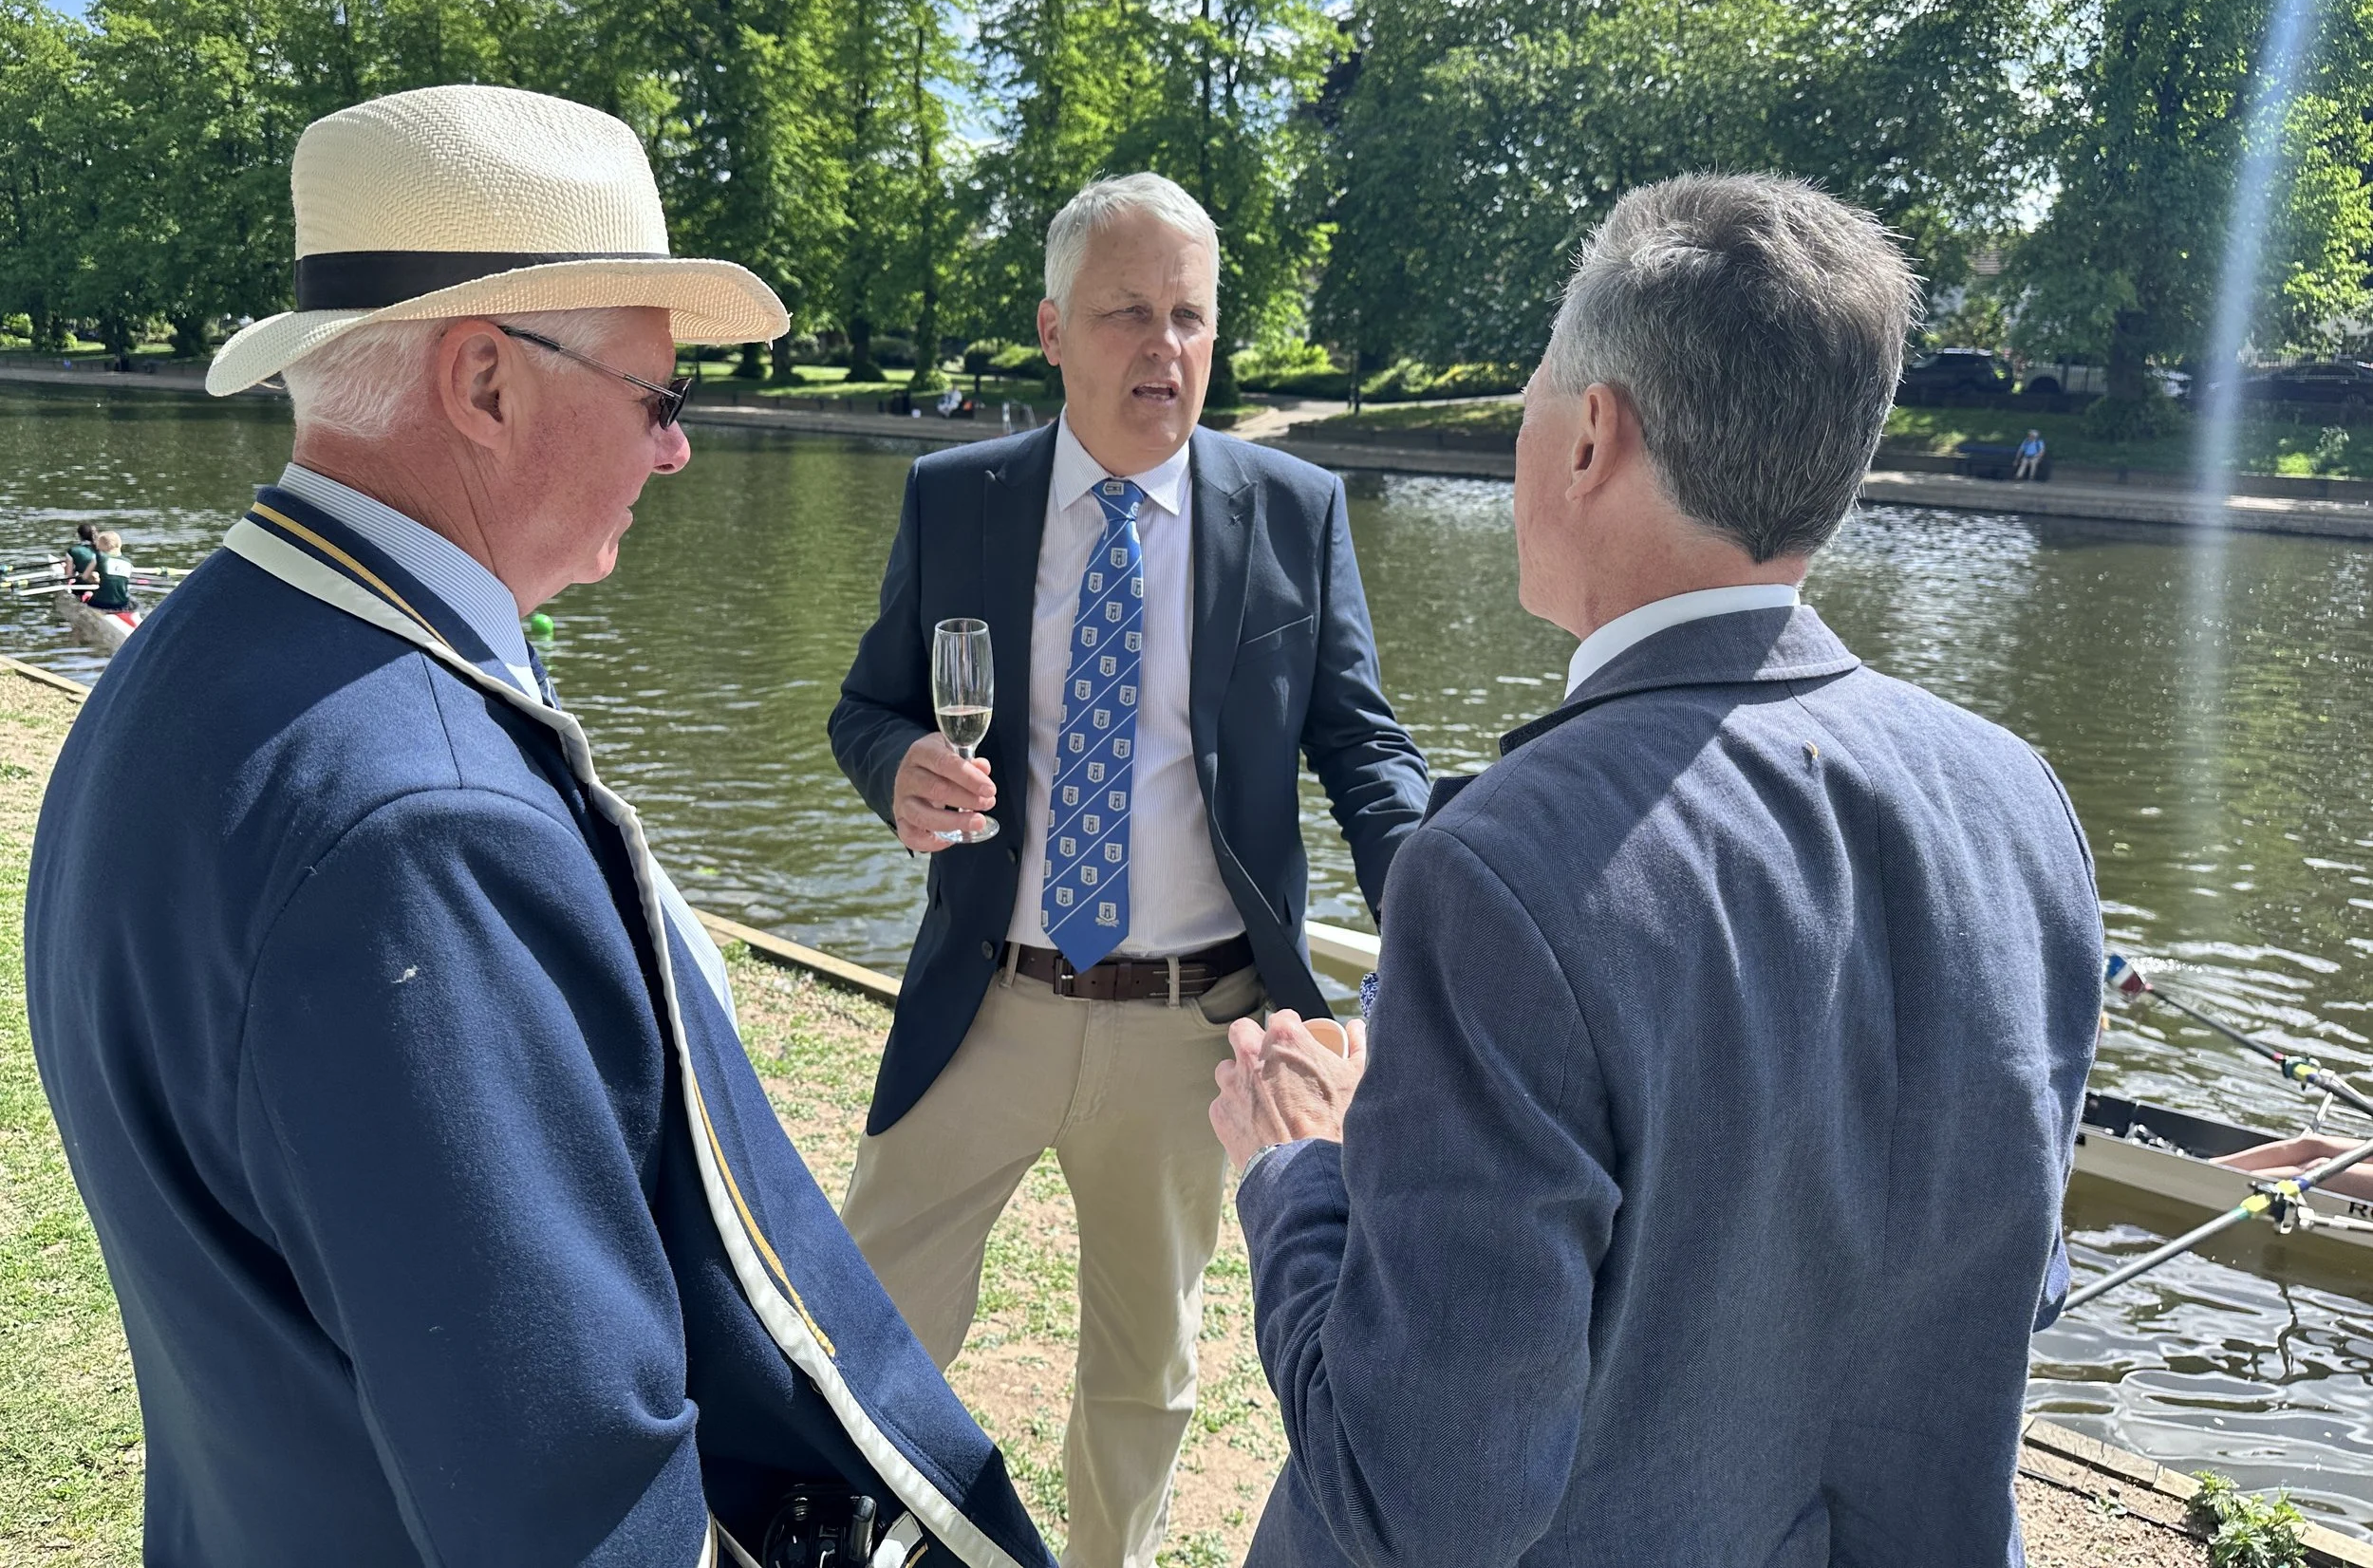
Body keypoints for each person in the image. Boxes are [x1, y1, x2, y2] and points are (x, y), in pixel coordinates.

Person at [27, 84, 1053, 1568]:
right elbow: (572, 1497)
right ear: (487, 384)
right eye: (661, 397)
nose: (677, 450)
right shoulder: (420, 828)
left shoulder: (205, 656)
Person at [1207, 174, 2103, 1567]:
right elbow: (2003, 1277)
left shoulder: (1500, 869)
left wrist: (1304, 1171)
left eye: (1528, 400)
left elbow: (1417, 1499)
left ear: (1589, 438)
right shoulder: (2020, 803)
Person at [831, 173, 1429, 1568]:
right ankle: (837, 1536)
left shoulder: (1293, 510)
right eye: (1126, 314)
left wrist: (1436, 899)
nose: (1165, 349)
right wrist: (898, 765)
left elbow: (1365, 749)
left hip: (1193, 1027)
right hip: (991, 1000)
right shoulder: (957, 498)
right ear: (1052, 327)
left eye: (1190, 316)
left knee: (1141, 1375)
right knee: (861, 1316)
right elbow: (867, 705)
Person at [84, 530, 135, 614]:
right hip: (122, 604)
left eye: (98, 544)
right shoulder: (128, 562)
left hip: (100, 604)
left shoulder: (99, 557)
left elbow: (85, 577)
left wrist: (93, 579)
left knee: (86, 596)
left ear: (104, 545)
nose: (97, 547)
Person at [64, 520, 98, 592]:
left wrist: (64, 567)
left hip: (81, 585)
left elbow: (68, 575)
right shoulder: (101, 550)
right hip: (100, 584)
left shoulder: (73, 551)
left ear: (79, 535)